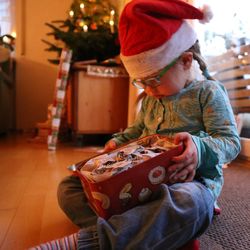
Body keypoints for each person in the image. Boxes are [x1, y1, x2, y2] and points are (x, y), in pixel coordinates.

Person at [57, 0, 241, 249]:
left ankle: (102, 239)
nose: (148, 90)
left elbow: (230, 142)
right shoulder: (151, 101)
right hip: (139, 186)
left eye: (153, 79)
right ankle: (145, 231)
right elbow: (135, 132)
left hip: (189, 184)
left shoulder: (207, 92)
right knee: (69, 186)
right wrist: (116, 143)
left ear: (186, 61)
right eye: (141, 82)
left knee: (192, 204)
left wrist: (198, 149)